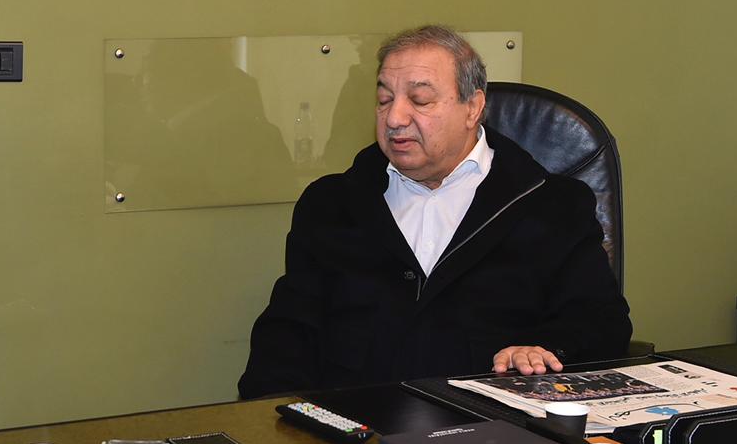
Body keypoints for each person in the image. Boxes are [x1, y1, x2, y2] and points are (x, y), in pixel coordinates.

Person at [238, 25, 632, 399]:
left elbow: (600, 322)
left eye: (420, 100)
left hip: (490, 427)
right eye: (384, 100)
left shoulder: (551, 205)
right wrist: (278, 417)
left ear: (472, 108)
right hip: (353, 427)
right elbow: (287, 335)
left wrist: (544, 349)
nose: (395, 118)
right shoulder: (331, 204)